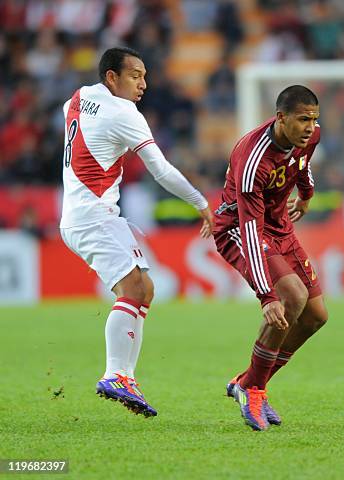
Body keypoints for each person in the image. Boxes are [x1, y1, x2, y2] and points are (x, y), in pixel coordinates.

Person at [59, 47, 213, 416]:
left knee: (145, 288)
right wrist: (200, 202)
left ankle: (126, 377)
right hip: (92, 217)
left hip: (92, 214)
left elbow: (71, 114)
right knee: (132, 289)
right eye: (135, 76)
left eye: (145, 75)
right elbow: (159, 170)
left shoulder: (79, 98)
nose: (144, 84)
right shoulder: (123, 112)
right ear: (111, 77)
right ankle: (115, 373)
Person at [213, 85, 328, 431]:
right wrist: (267, 295)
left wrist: (306, 194)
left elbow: (302, 162)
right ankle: (254, 389)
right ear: (280, 118)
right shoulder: (252, 160)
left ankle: (246, 382)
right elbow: (250, 228)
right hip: (240, 230)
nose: (310, 127)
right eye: (302, 119)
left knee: (316, 316)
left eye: (313, 119)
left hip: (280, 227)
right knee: (291, 296)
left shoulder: (311, 136)